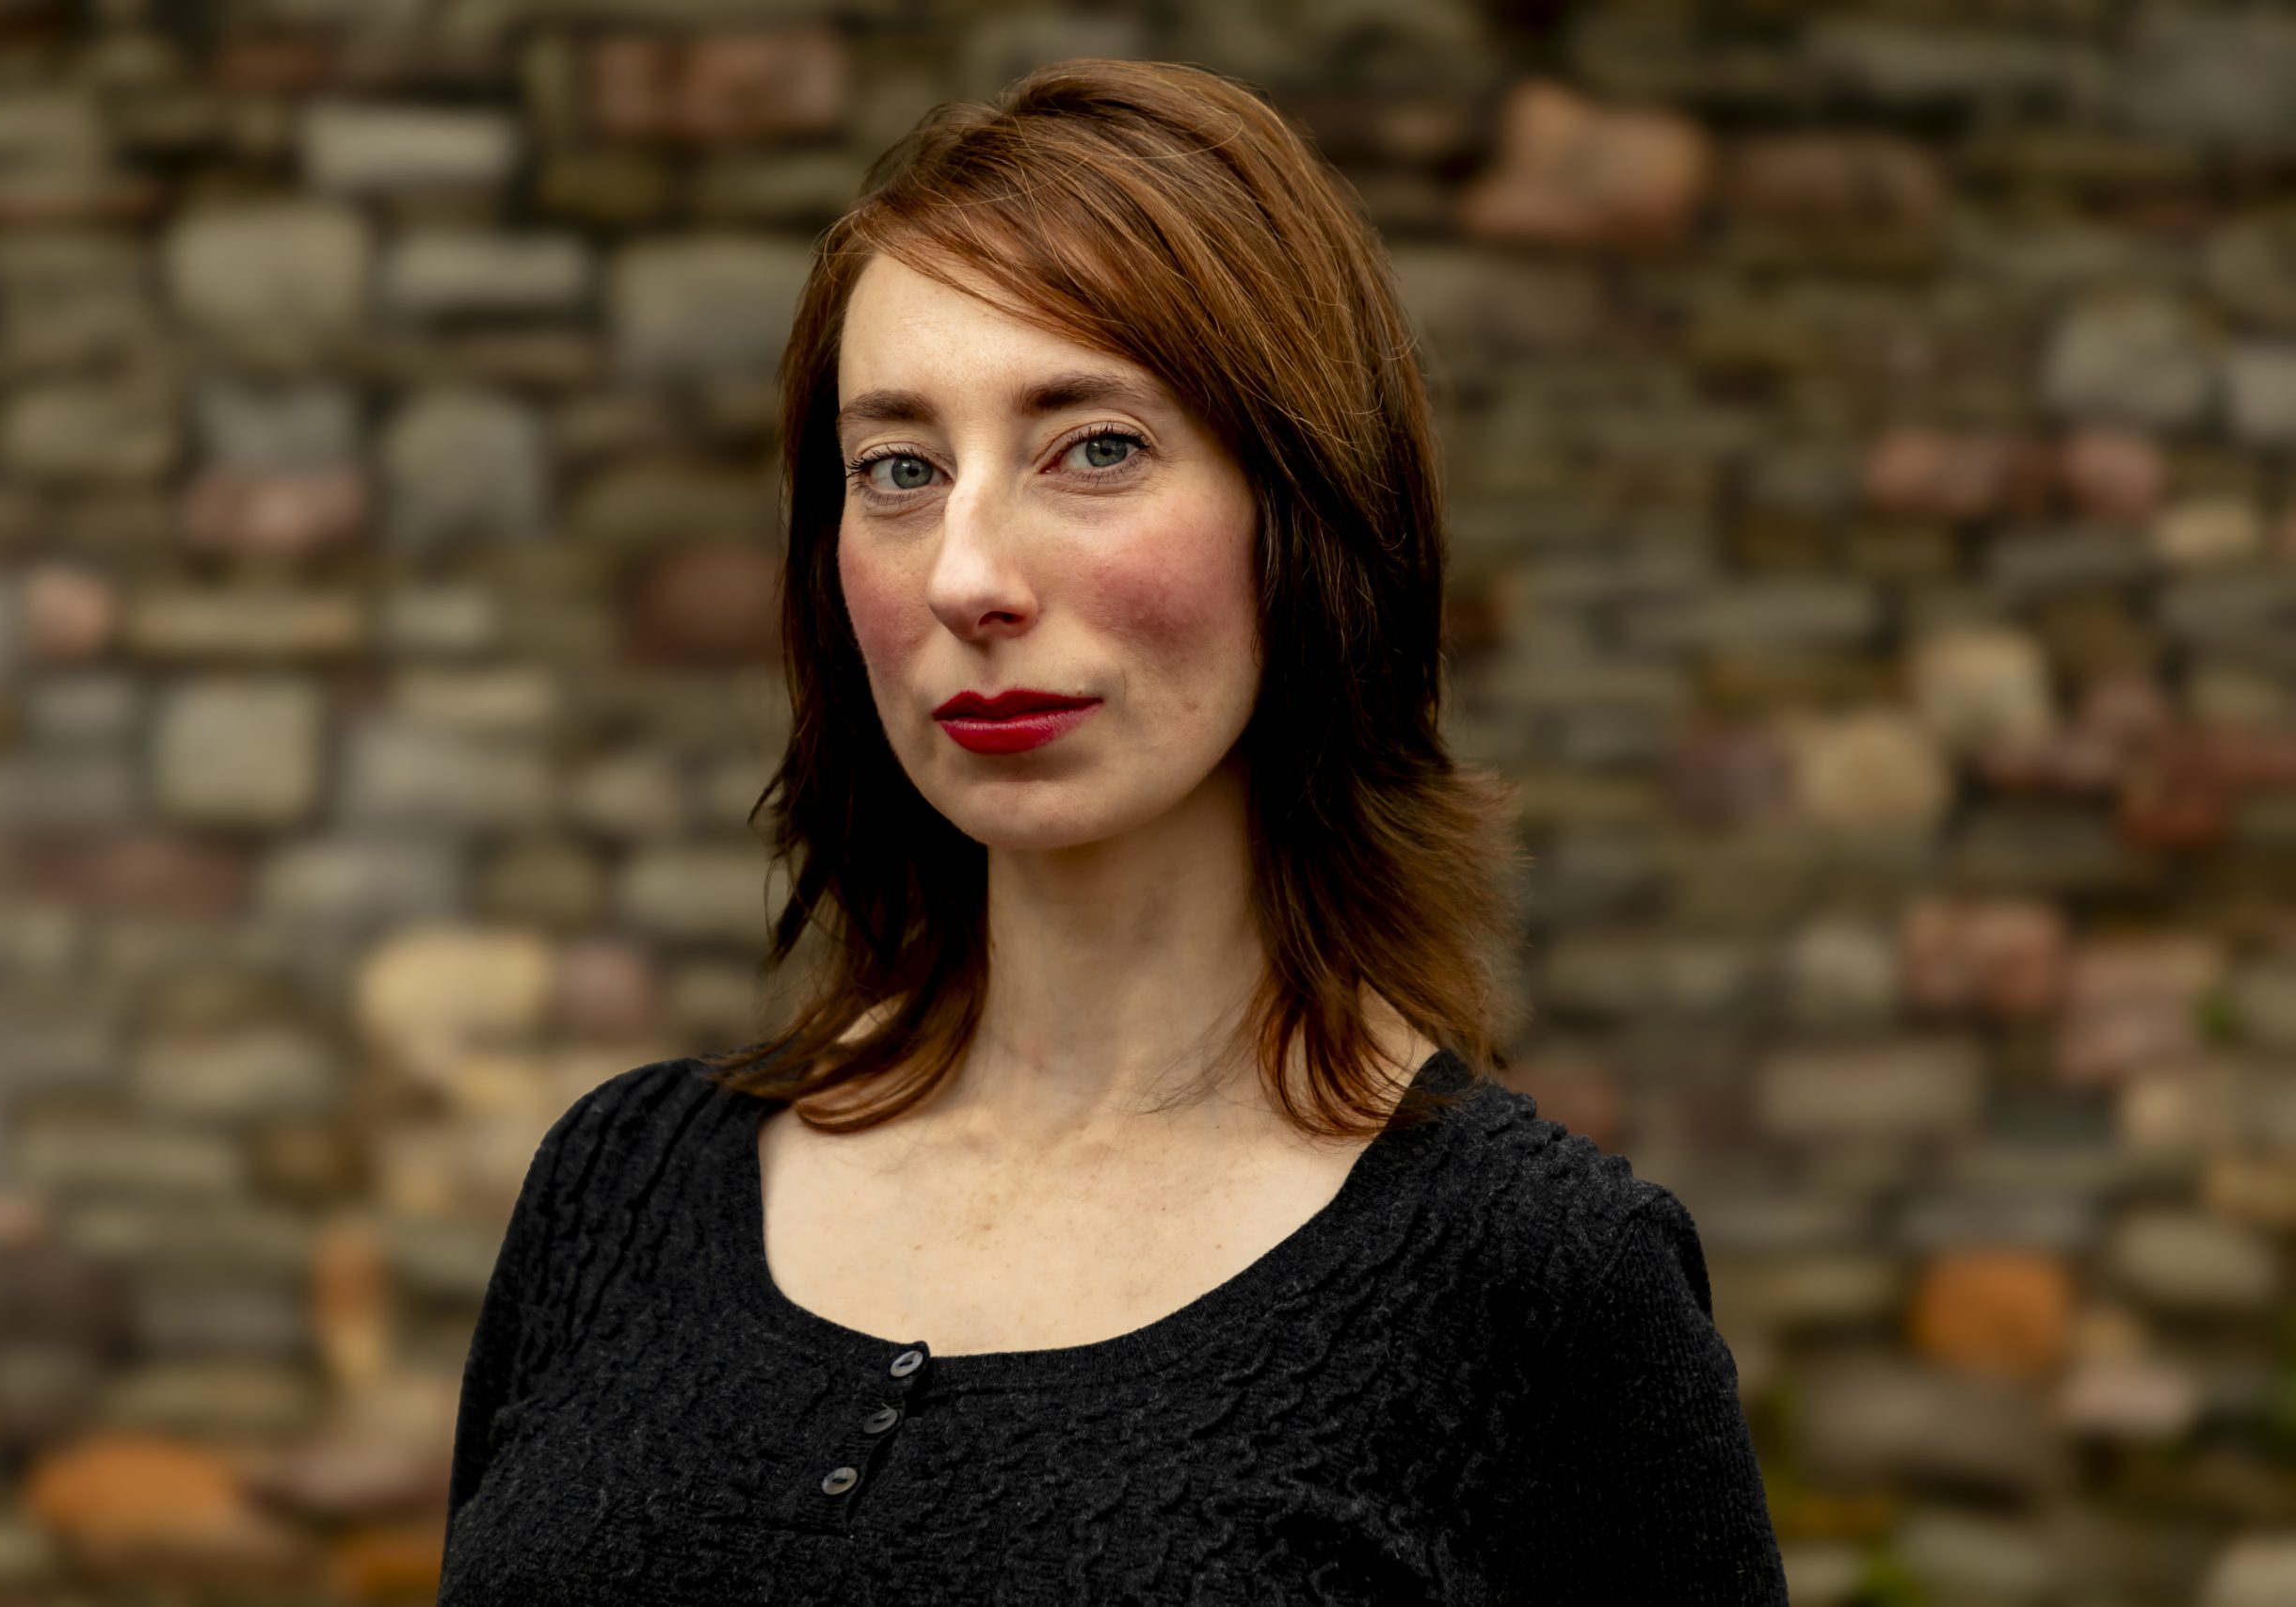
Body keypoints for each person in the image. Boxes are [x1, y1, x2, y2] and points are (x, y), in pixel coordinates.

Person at [436, 58, 1789, 1605]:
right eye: (898, 469)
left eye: (1094, 447)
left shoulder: (1537, 1288)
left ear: (1306, 513)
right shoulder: (622, 1193)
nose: (966, 573)